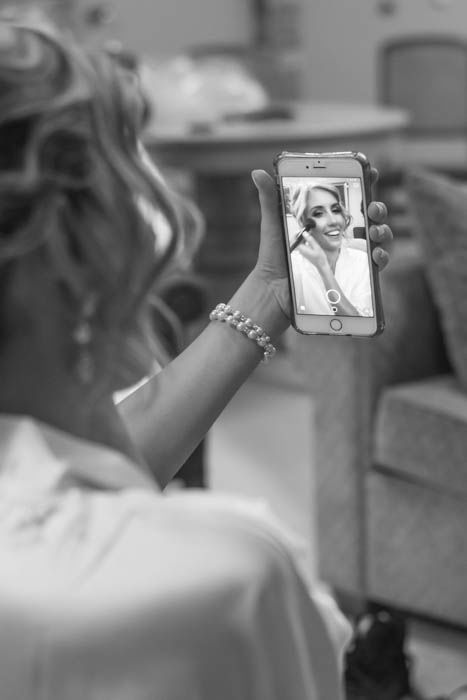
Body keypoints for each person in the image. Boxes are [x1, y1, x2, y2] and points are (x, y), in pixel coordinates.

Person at [0, 18, 393, 700]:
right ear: (77, 251)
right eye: (131, 174)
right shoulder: (221, 576)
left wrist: (267, 297)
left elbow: (78, 464)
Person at [289, 182, 375, 316]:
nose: (333, 221)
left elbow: (358, 320)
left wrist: (323, 267)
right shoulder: (293, 266)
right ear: (303, 222)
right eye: (318, 213)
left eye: (335, 210)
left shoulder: (362, 260)